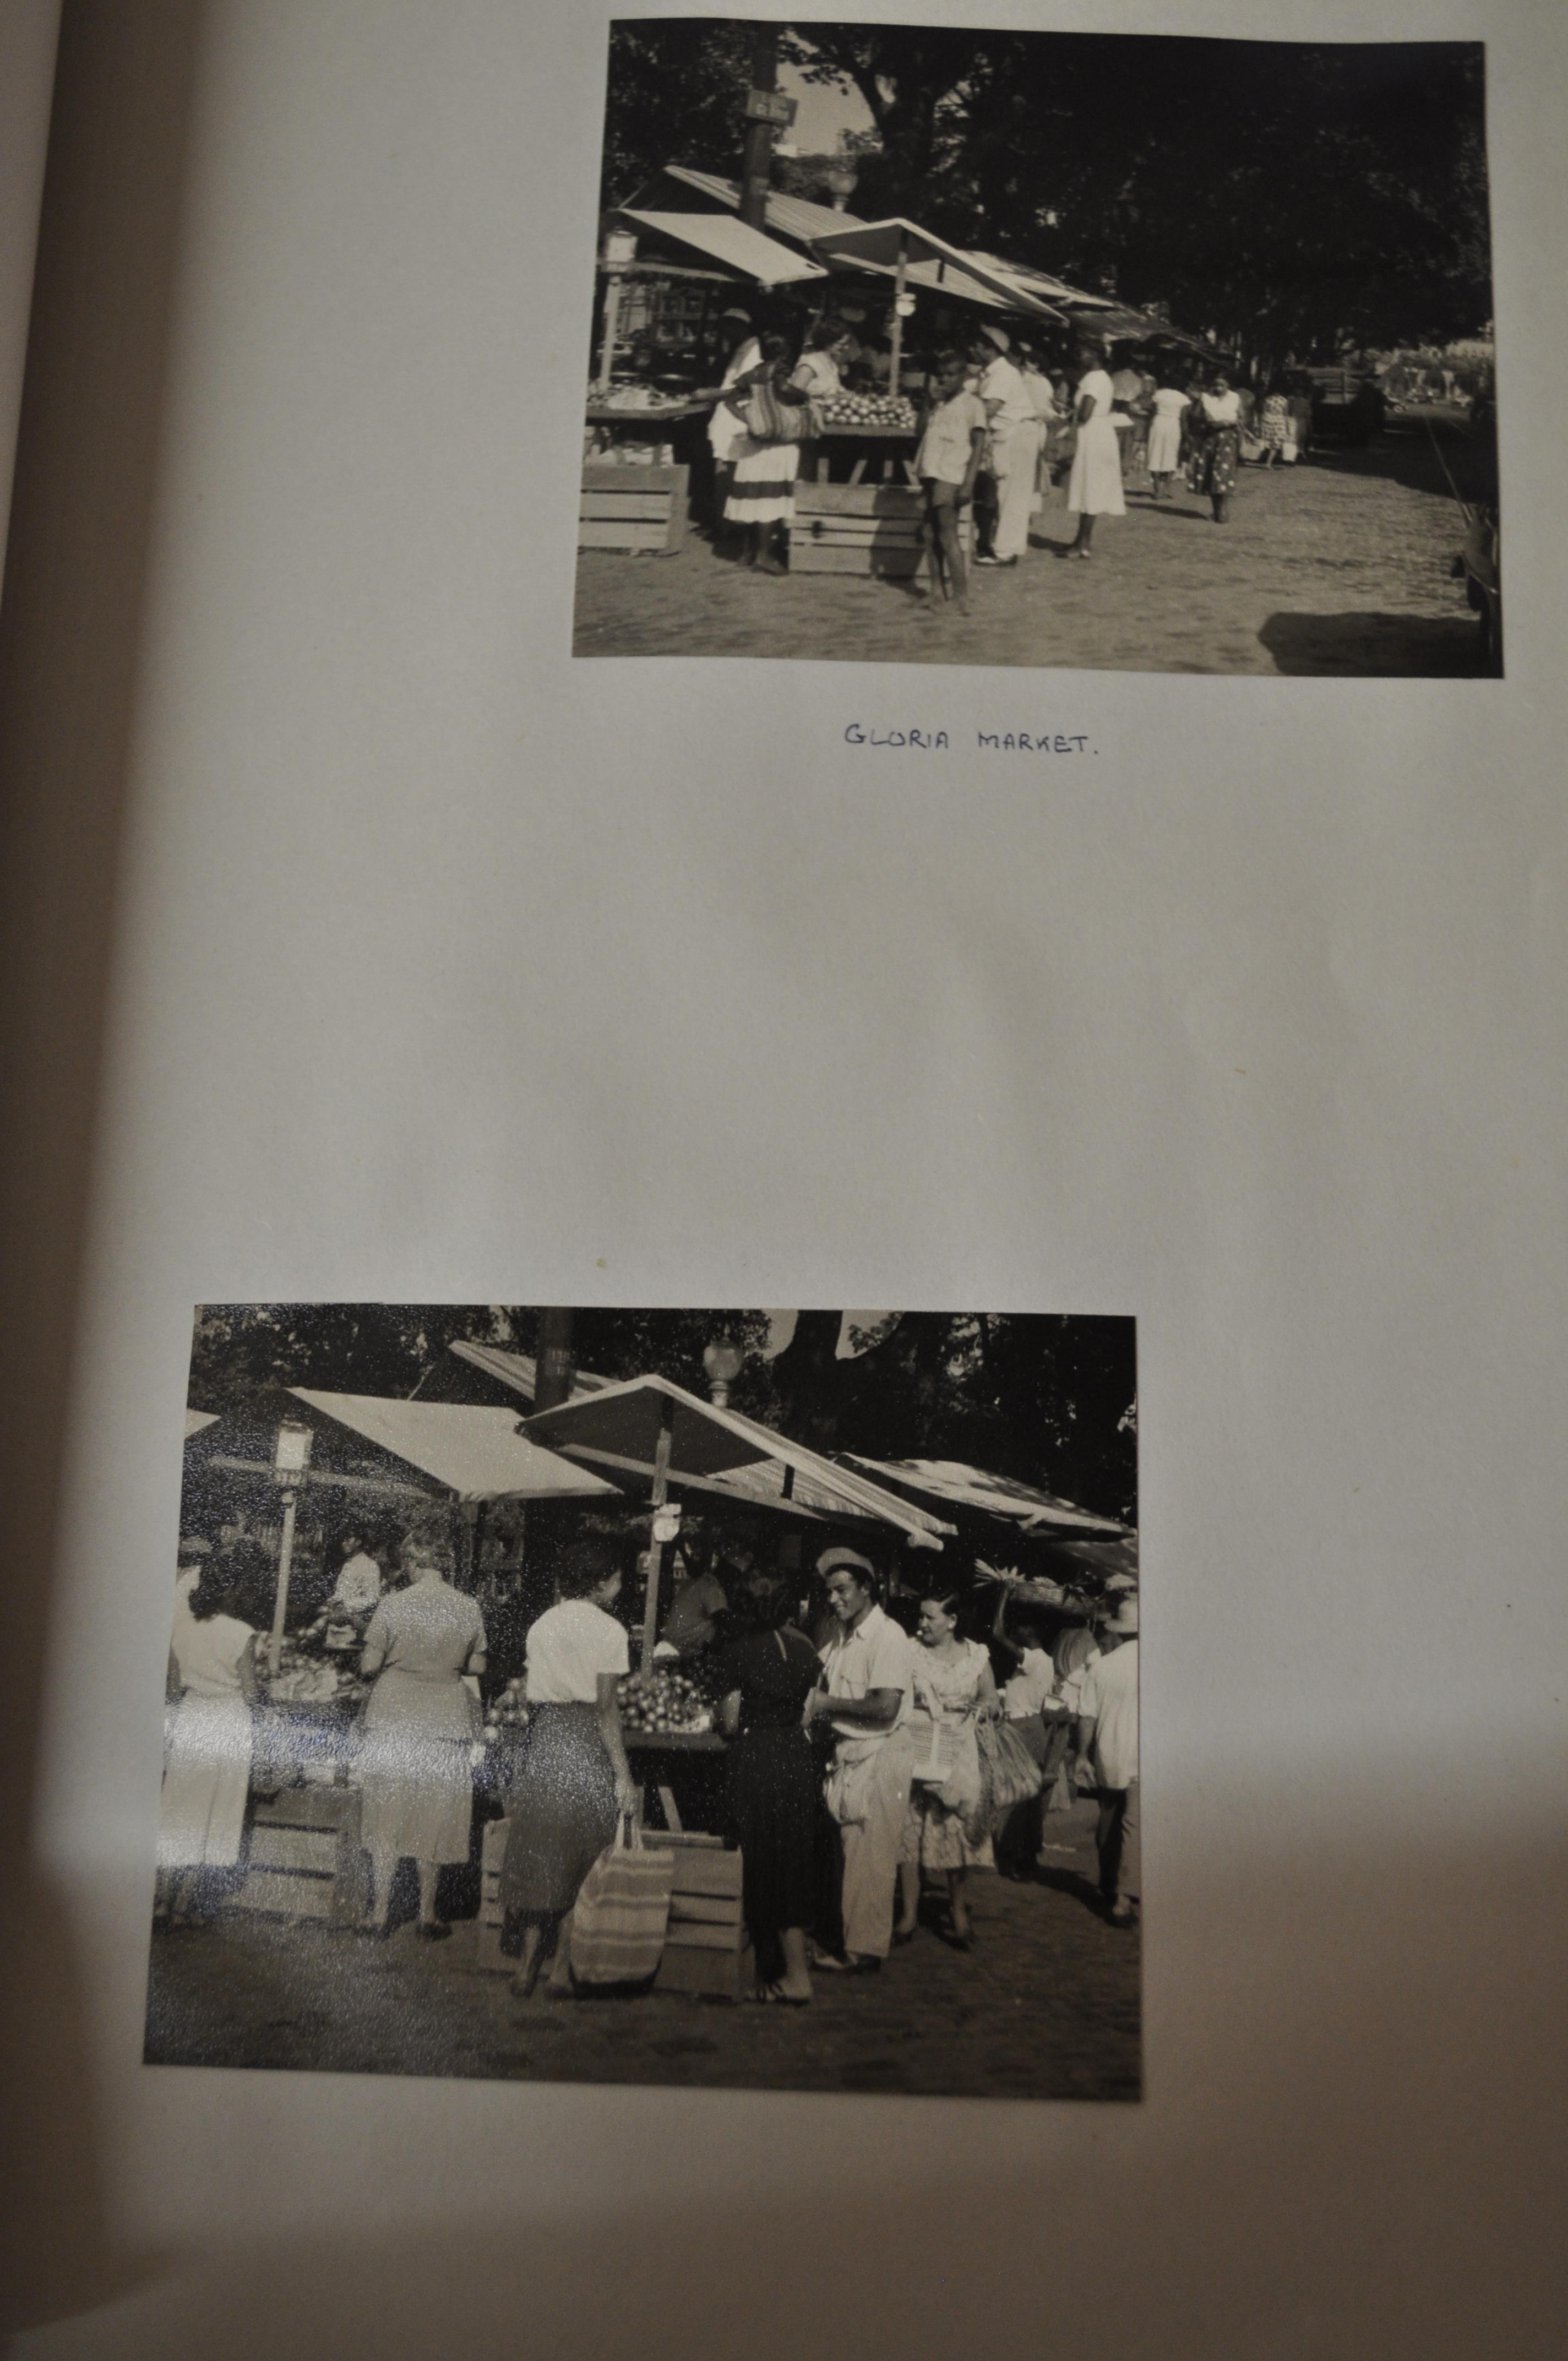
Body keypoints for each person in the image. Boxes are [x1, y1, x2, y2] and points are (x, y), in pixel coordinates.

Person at [499, 1532, 637, 1996]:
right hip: (586, 1745)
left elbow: (532, 1691)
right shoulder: (610, 1632)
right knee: (586, 1856)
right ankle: (562, 1972)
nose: (621, 1586)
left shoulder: (543, 1624)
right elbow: (606, 1709)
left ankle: (525, 1968)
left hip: (546, 1741)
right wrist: (624, 1776)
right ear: (602, 1582)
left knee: (542, 1855)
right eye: (618, 1579)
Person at [355, 1527, 487, 1940]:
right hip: (445, 1718)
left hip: (394, 1715)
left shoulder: (393, 1605)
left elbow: (368, 1666)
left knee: (386, 1810)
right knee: (435, 1813)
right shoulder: (467, 1607)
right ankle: (428, 1913)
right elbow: (478, 1668)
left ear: (412, 1562)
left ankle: (379, 1914)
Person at [803, 1546, 916, 1973]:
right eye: (830, 1592)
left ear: (868, 1589)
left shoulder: (890, 1638)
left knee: (872, 1855)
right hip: (852, 1754)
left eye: (843, 1590)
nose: (834, 1599)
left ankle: (862, 1950)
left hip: (882, 1753)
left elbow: (886, 1706)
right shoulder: (842, 1637)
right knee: (853, 1852)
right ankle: (853, 1941)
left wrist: (827, 1704)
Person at [714, 1567, 823, 2003]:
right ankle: (792, 1967)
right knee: (791, 1861)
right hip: (797, 1758)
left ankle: (769, 1969)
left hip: (757, 1758)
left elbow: (730, 1721)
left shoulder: (738, 1652)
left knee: (757, 1859)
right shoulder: (806, 1649)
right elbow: (809, 1713)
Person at [156, 1553, 260, 1925]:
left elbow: (171, 1688)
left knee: (181, 1807)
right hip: (228, 1721)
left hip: (192, 1718)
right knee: (217, 1810)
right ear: (232, 1590)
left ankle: (164, 1900)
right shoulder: (241, 1633)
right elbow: (250, 1692)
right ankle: (187, 1906)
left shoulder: (181, 1630)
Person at [895, 1592, 999, 1948]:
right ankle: (908, 1914)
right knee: (909, 1832)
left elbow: (992, 1700)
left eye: (930, 1618)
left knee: (955, 1832)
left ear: (952, 1621)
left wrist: (979, 1712)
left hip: (958, 1756)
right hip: (917, 1750)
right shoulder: (910, 1652)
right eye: (920, 1617)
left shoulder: (976, 1656)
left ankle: (957, 1911)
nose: (921, 1624)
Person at [720, 333, 809, 574]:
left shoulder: (752, 374)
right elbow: (783, 388)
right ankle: (764, 556)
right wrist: (804, 395)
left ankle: (747, 553)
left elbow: (729, 401)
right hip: (776, 445)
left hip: (754, 443)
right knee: (770, 500)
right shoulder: (778, 370)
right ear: (784, 354)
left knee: (751, 499)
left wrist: (749, 419)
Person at [1075, 1596, 1139, 1924]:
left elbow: (1086, 1715)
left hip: (1109, 1754)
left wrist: (1083, 1757)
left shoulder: (1102, 1666)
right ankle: (1124, 1899)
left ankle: (1108, 1881)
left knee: (1110, 1820)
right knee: (1134, 1825)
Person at [989, 1586, 1059, 1876]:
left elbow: (997, 1633)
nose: (1013, 1631)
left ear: (1029, 1630)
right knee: (1024, 1797)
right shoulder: (1041, 1663)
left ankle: (1017, 1855)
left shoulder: (1036, 1659)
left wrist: (1003, 1595)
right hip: (1025, 1726)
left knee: (1018, 1796)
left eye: (1019, 1627)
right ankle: (1024, 1855)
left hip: (1024, 1728)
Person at [913, 349, 987, 616]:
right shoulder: (939, 403)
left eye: (950, 375)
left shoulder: (973, 405)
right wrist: (927, 404)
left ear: (964, 376)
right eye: (940, 375)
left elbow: (978, 447)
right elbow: (919, 432)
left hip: (951, 474)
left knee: (948, 533)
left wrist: (968, 484)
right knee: (930, 534)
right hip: (930, 472)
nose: (944, 380)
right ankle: (936, 591)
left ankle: (961, 595)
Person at [971, 327, 1040, 568]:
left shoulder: (1002, 374)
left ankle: (1006, 552)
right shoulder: (988, 373)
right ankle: (1004, 548)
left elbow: (989, 408)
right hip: (1009, 434)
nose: (973, 350)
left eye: (977, 346)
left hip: (1018, 434)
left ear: (990, 349)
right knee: (1005, 491)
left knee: (1013, 494)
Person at [703, 307, 762, 537]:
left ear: (739, 327)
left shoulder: (753, 352)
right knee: (724, 472)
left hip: (735, 420)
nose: (724, 333)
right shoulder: (742, 350)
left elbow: (741, 389)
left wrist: (711, 395)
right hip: (727, 419)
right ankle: (725, 523)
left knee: (726, 473)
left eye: (728, 328)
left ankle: (727, 526)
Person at [1064, 339, 1125, 557]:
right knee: (1091, 488)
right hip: (1099, 432)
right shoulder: (1100, 378)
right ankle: (1083, 542)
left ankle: (1082, 543)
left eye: (1084, 353)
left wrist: (1071, 416)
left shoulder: (1094, 380)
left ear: (1095, 355)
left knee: (1089, 487)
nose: (1080, 357)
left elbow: (1085, 413)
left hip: (1093, 433)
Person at [789, 323, 857, 484]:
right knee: (802, 470)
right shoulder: (811, 363)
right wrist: (817, 397)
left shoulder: (831, 363)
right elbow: (792, 392)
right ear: (828, 341)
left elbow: (833, 390)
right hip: (805, 426)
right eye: (842, 344)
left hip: (820, 427)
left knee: (812, 469)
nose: (846, 348)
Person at [1188, 368, 1243, 522]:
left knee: (1224, 474)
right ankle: (1216, 510)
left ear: (1228, 385)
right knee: (1212, 474)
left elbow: (1241, 417)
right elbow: (1195, 417)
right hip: (1210, 438)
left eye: (1223, 385)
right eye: (1216, 385)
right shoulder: (1206, 398)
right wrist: (1205, 417)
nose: (1219, 388)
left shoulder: (1235, 398)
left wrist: (1233, 423)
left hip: (1228, 439)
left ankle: (1223, 511)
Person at [1146, 372, 1191, 499]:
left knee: (1155, 454)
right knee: (1171, 455)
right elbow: (1184, 420)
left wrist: (1148, 430)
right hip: (1173, 425)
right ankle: (1167, 488)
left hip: (1158, 423)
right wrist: (1186, 436)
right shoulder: (1183, 398)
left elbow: (1152, 413)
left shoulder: (1159, 394)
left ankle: (1156, 489)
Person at [1259, 383, 1291, 467]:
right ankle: (1269, 463)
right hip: (1279, 423)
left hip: (1268, 421)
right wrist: (1287, 427)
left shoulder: (1267, 399)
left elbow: (1264, 412)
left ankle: (1267, 460)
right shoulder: (1284, 401)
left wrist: (1261, 424)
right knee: (1276, 444)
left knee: (1268, 443)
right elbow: (1286, 415)